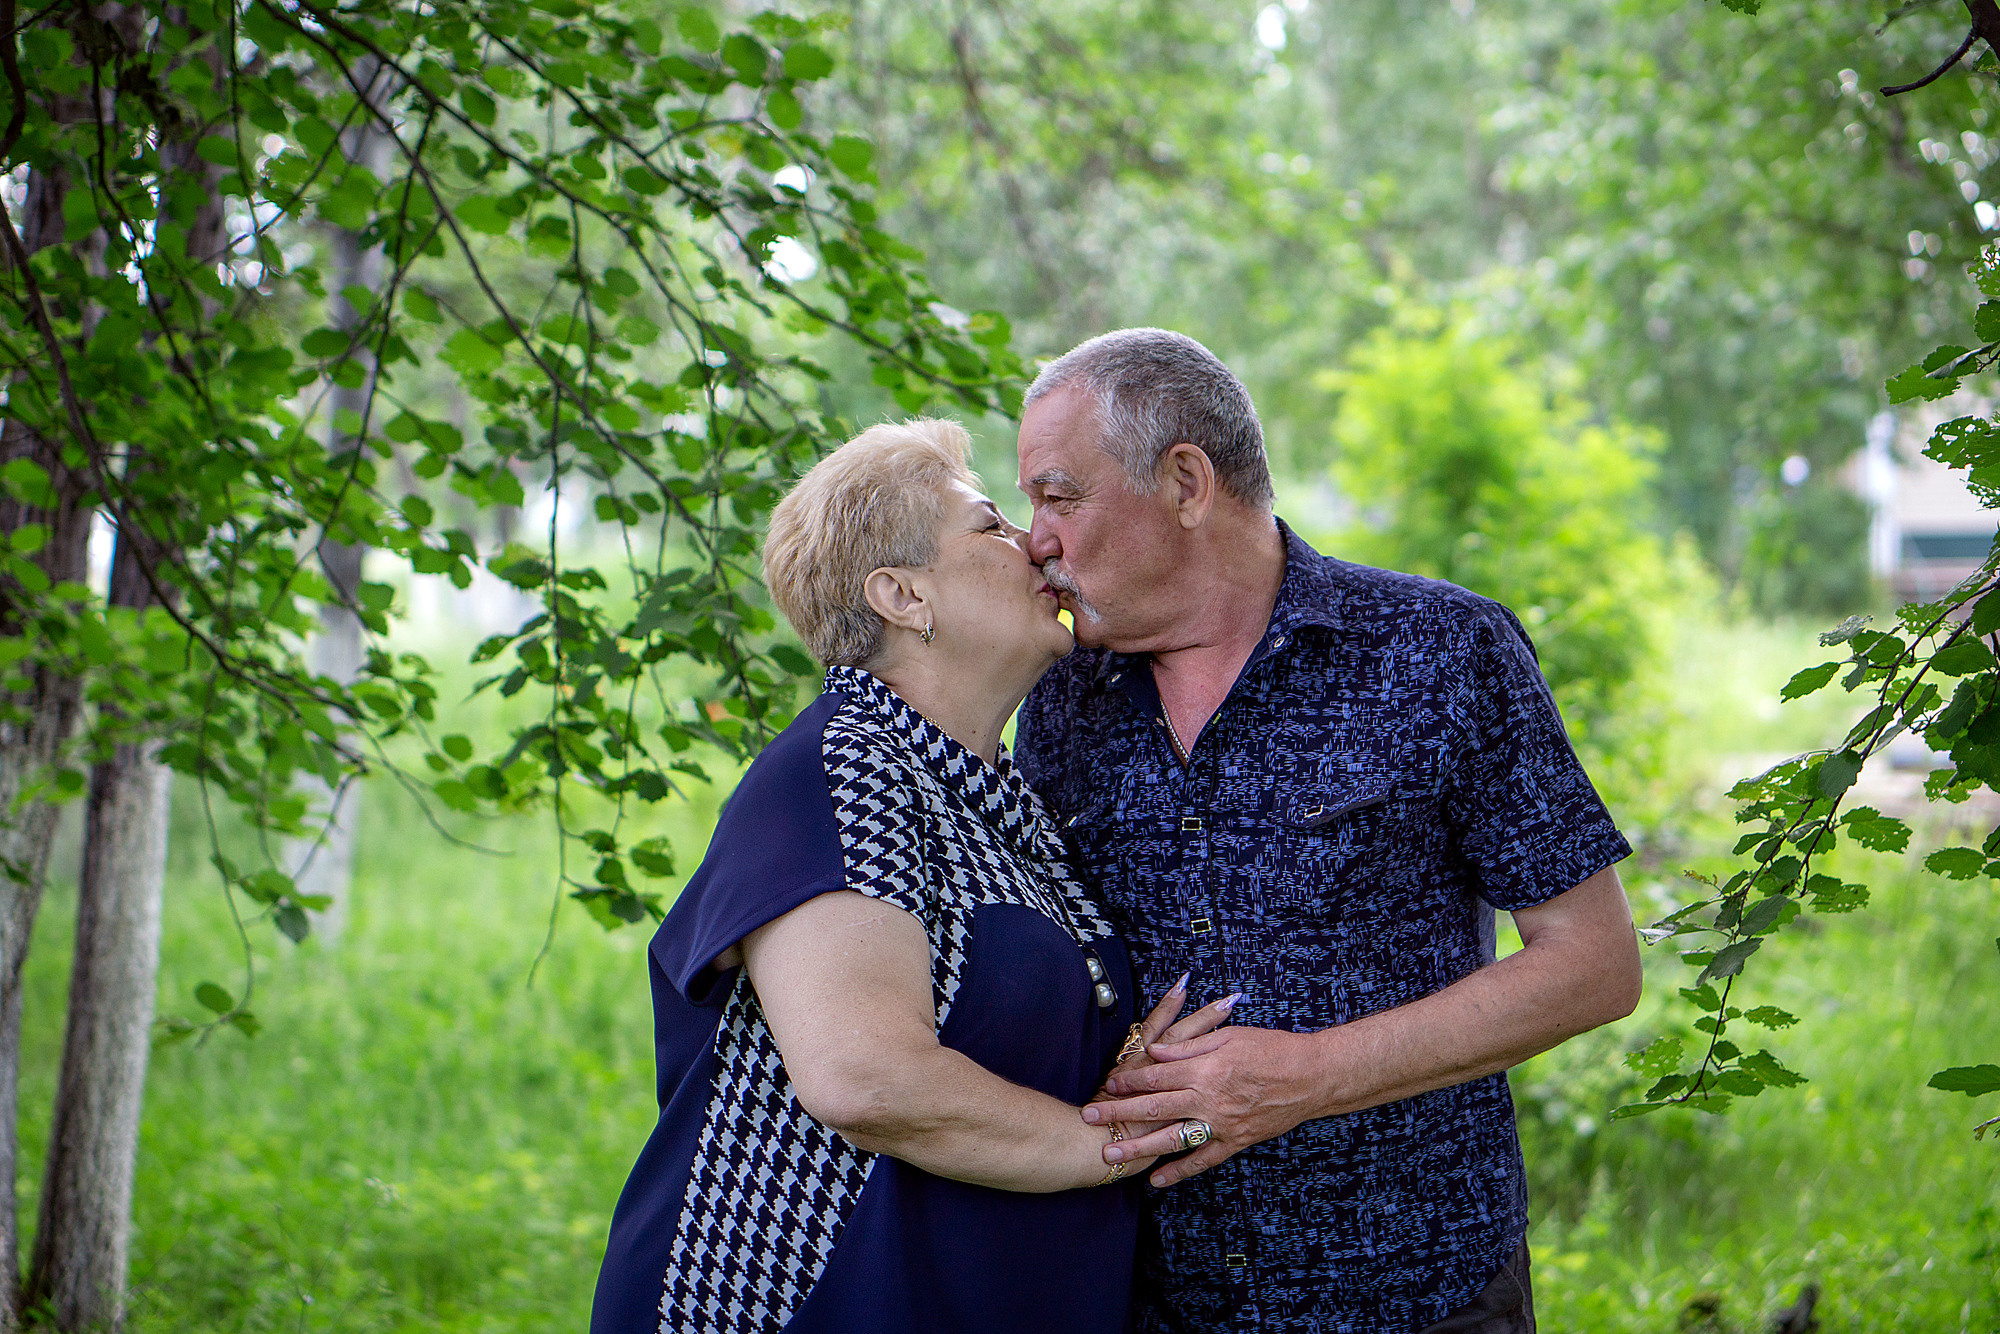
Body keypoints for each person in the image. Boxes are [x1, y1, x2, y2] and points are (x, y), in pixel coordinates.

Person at [1012, 329, 1645, 1333]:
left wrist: (1303, 1078)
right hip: (1149, 1298)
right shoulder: (1058, 702)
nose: (1032, 537)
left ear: (1183, 481)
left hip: (1418, 1294)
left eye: (1058, 496)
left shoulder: (1441, 651)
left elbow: (1595, 964)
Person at [590, 417, 1231, 1334]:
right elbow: (866, 1076)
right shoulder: (840, 770)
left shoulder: (991, 794)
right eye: (990, 526)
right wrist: (1111, 1147)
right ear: (900, 594)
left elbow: (981, 1017)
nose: (1034, 544)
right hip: (819, 1296)